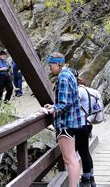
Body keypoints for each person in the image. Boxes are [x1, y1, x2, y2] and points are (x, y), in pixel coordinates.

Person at [40, 52, 82, 187]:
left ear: (58, 63)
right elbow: (67, 100)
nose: (50, 67)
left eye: (51, 64)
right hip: (73, 122)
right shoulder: (69, 74)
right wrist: (53, 105)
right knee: (72, 158)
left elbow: (64, 104)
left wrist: (49, 110)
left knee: (69, 159)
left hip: (65, 123)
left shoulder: (63, 77)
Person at [68, 68, 96, 187]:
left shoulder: (77, 91)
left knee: (81, 153)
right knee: (85, 152)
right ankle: (91, 178)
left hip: (80, 125)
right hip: (88, 123)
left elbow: (71, 105)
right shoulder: (87, 89)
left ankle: (85, 180)